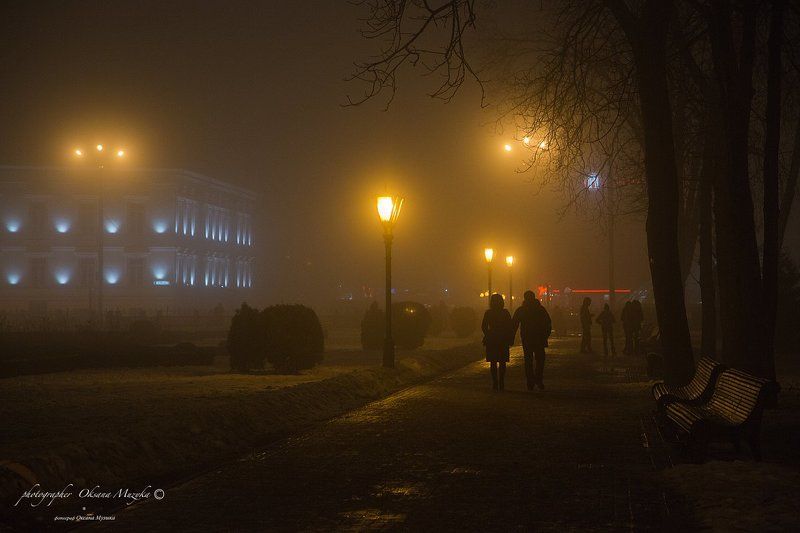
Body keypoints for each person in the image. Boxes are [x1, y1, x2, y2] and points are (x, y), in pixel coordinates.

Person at [512, 291, 552, 390]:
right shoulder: (540, 309)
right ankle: (538, 380)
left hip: (527, 338)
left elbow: (514, 325)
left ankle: (530, 381)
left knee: (528, 360)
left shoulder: (522, 310)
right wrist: (545, 336)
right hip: (539, 338)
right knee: (540, 360)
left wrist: (511, 338)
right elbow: (548, 323)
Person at [482, 293, 514, 391]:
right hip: (503, 339)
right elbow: (510, 326)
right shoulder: (505, 313)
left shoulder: (488, 313)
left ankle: (495, 382)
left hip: (492, 339)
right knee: (502, 361)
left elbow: (483, 326)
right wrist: (509, 337)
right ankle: (501, 381)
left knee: (493, 361)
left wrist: (488, 334)